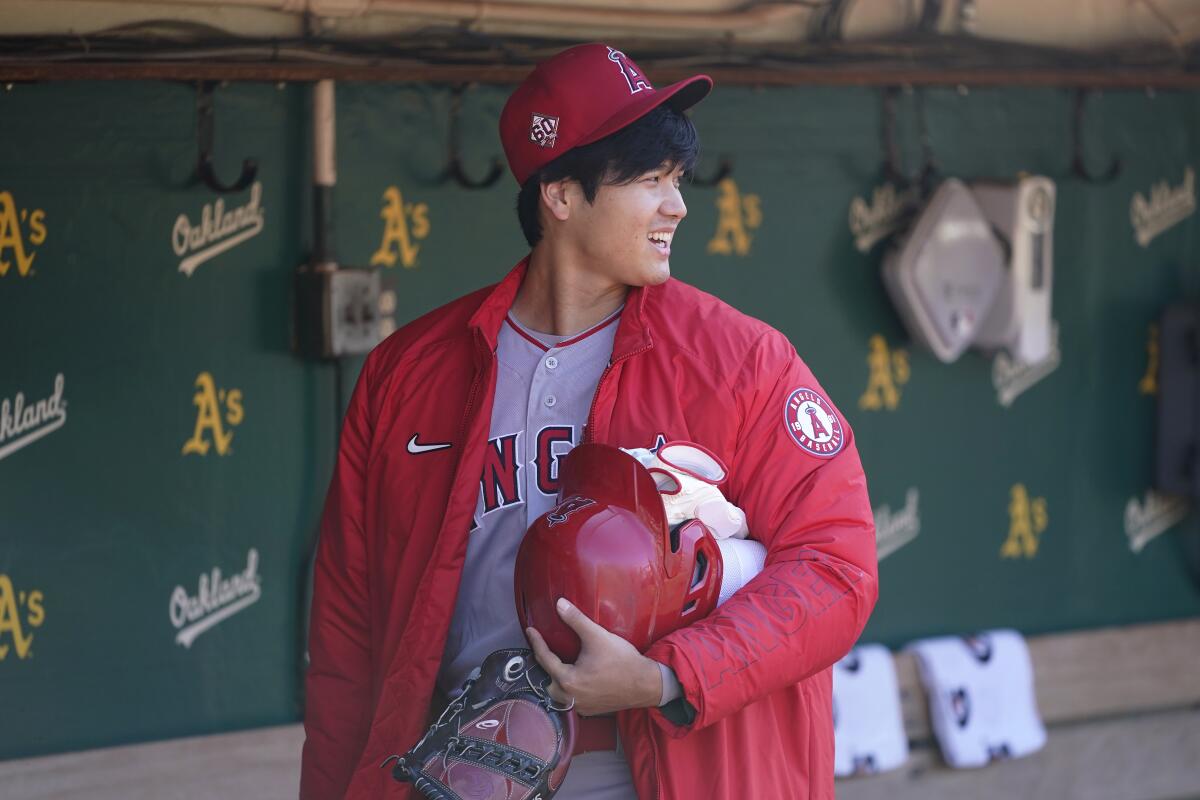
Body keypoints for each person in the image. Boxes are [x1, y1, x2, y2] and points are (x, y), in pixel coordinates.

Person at [300, 42, 878, 800]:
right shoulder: (408, 373)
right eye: (648, 182)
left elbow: (837, 566)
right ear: (561, 196)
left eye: (676, 181)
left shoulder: (741, 361)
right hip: (463, 766)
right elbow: (348, 631)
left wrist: (667, 675)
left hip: (666, 765)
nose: (676, 206)